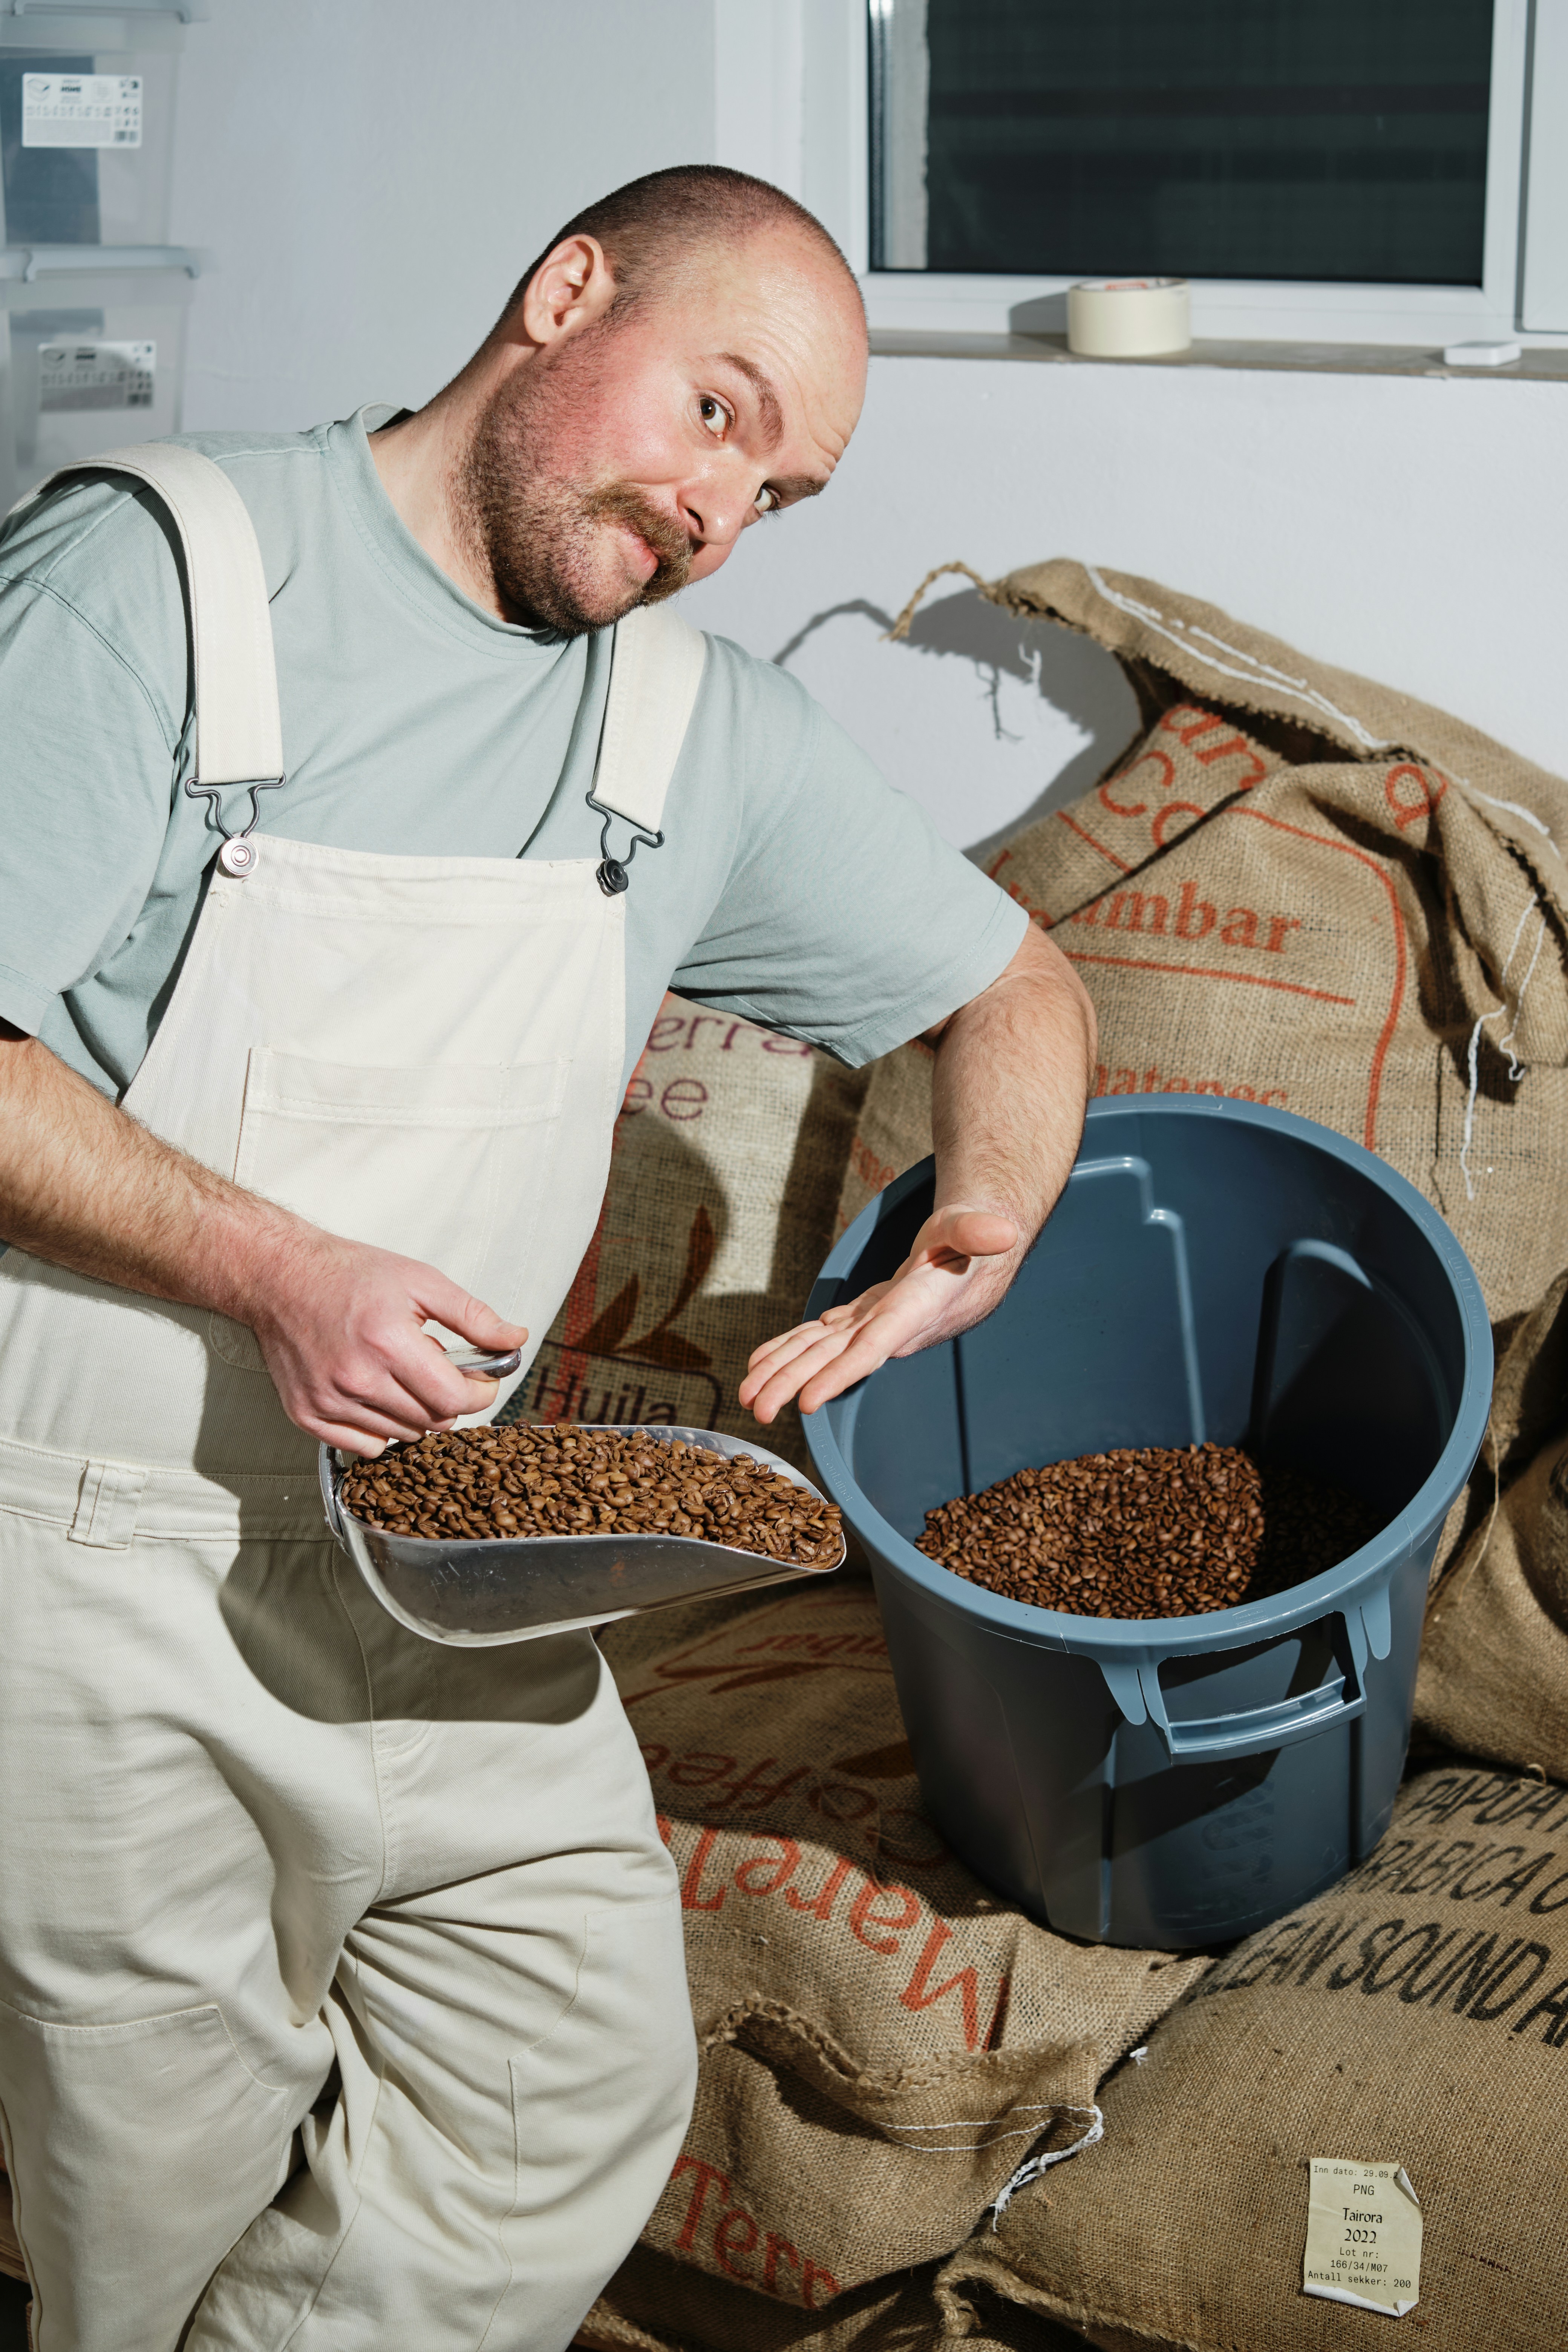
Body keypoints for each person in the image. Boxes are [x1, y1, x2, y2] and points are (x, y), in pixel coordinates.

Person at [0, 166, 1094, 2349]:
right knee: (159, 2176)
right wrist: (277, 1268)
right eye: (712, 410)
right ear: (563, 290)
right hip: (104, 1551)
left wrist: (977, 1223)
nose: (719, 510)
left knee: (564, 2081)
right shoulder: (161, 579)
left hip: (452, 1568)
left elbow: (1015, 992)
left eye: (777, 488)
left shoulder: (686, 731)